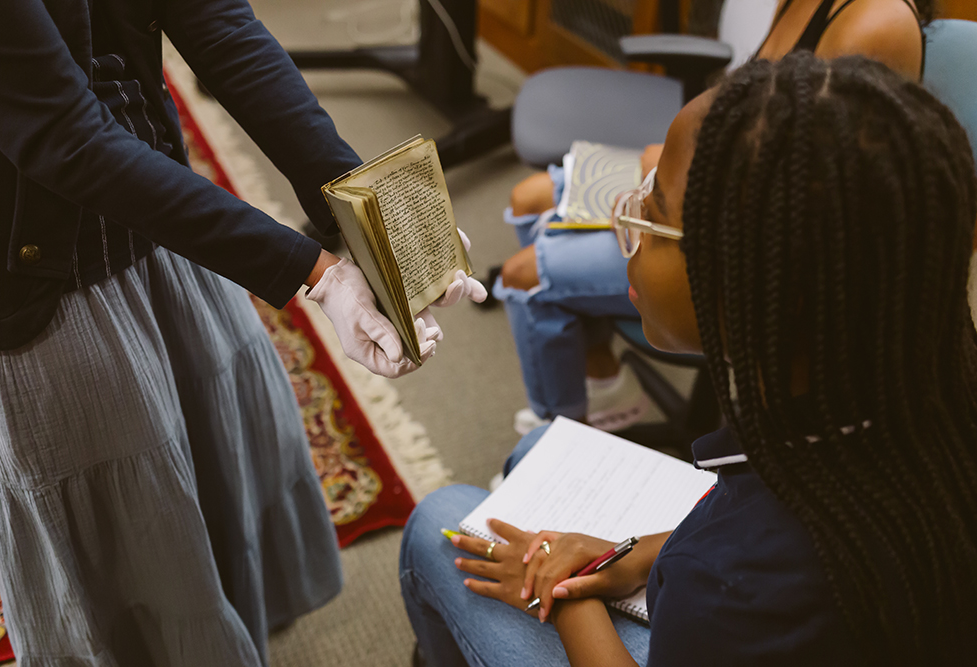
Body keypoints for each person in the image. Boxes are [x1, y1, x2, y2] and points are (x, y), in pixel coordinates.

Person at [401, 52, 977, 666]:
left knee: (437, 522)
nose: (631, 228)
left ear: (754, 286)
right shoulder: (923, 394)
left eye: (652, 217)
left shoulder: (732, 581)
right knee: (535, 451)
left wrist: (567, 596)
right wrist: (624, 556)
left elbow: (729, 575)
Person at [0, 0, 482, 664]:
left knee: (216, 437)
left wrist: (368, 219)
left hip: (154, 193)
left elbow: (217, 22)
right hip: (33, 257)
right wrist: (319, 274)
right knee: (126, 524)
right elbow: (67, 139)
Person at [495, 0, 929, 435]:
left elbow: (806, 206)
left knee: (524, 274)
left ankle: (558, 437)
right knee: (528, 197)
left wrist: (663, 177)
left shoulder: (876, 24)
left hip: (726, 232)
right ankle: (603, 379)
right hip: (692, 186)